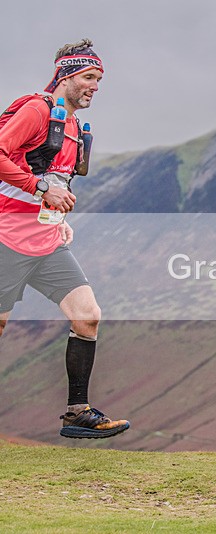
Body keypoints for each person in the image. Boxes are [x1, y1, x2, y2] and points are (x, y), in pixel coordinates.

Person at [0, 39, 130, 439]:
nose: (95, 87)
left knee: (87, 316)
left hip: (46, 241)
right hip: (5, 237)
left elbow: (56, 180)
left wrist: (57, 219)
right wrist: (41, 189)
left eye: (99, 80)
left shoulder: (72, 126)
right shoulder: (37, 110)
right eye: (89, 77)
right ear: (66, 76)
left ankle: (77, 412)